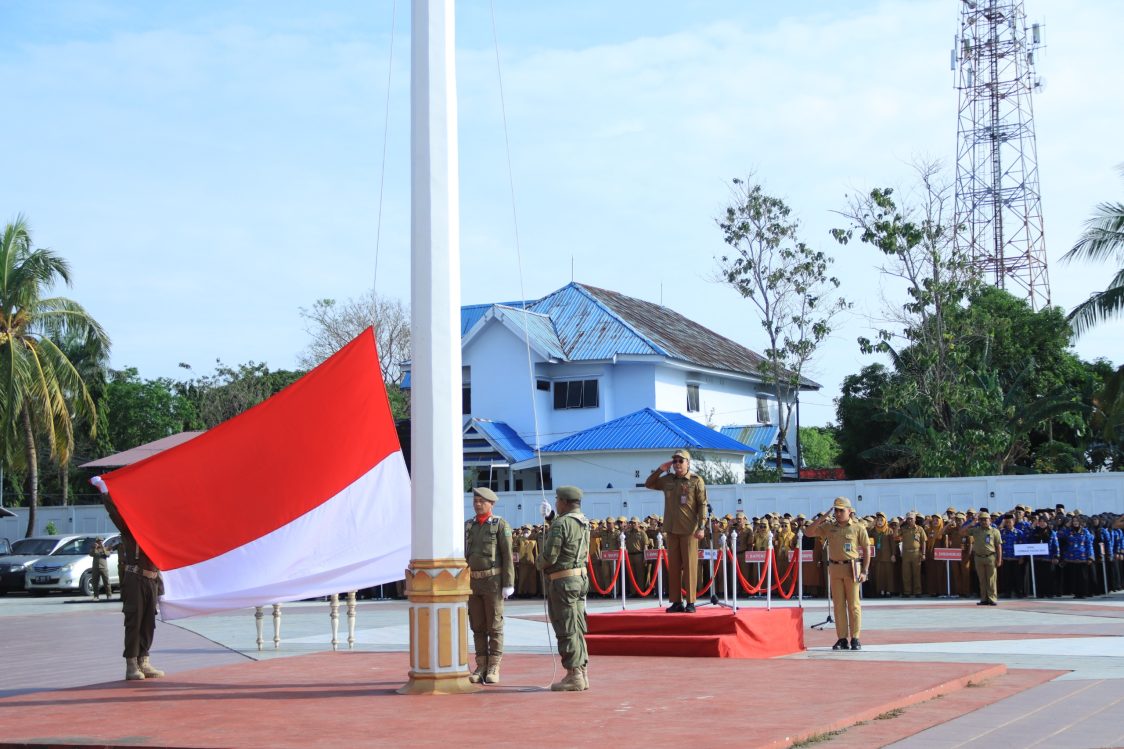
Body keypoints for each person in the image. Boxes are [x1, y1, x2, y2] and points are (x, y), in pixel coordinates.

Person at [90, 476, 163, 681]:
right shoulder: (131, 531)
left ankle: (144, 660)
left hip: (152, 581)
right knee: (134, 621)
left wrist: (162, 588)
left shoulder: (156, 534)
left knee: (149, 623)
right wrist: (105, 491)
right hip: (135, 579)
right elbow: (115, 514)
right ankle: (131, 664)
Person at [536, 485, 591, 692]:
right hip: (579, 578)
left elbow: (551, 556)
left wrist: (538, 563)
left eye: (558, 500)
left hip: (563, 581)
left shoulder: (561, 523)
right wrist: (550, 518)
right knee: (577, 627)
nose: (556, 502)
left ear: (565, 502)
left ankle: (574, 674)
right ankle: (582, 671)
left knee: (565, 627)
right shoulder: (583, 521)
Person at [645, 449, 707, 613]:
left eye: (681, 461)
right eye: (675, 461)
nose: (677, 464)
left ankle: (691, 602)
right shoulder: (667, 480)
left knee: (689, 567)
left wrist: (701, 527)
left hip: (689, 531)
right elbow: (649, 484)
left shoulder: (695, 480)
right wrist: (660, 470)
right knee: (673, 568)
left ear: (688, 463)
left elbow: (702, 504)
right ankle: (676, 601)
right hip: (671, 530)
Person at [804, 496, 870, 651]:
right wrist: (823, 517)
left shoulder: (858, 527)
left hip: (852, 568)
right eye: (836, 510)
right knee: (838, 605)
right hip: (834, 568)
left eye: (841, 510)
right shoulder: (829, 526)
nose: (838, 513)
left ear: (849, 511)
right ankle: (842, 638)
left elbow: (866, 549)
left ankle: (855, 638)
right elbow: (808, 532)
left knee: (853, 605)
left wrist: (865, 570)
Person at [464, 487, 514, 684]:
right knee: (477, 626)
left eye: (481, 501)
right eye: (475, 500)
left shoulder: (500, 525)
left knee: (494, 626)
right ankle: (481, 665)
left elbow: (508, 556)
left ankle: (494, 666)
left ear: (491, 504)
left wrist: (508, 583)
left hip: (493, 581)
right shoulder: (469, 526)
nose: (477, 504)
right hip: (473, 581)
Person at [966, 511, 1003, 605]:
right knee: (982, 579)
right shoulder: (976, 530)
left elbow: (998, 546)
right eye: (981, 519)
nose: (983, 521)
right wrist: (972, 522)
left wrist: (999, 559)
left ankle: (992, 598)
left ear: (990, 520)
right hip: (978, 558)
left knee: (991, 579)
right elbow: (961, 532)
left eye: (985, 519)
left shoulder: (995, 531)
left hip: (990, 557)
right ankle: (984, 599)